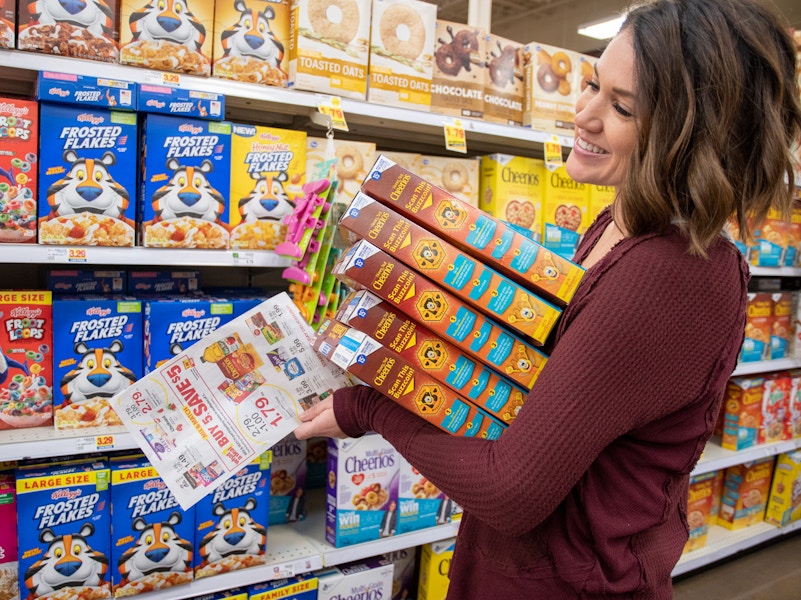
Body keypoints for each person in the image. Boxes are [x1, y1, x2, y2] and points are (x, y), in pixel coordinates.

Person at [294, 0, 801, 597]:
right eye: (593, 84)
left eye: (621, 107)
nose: (583, 114)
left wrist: (369, 409)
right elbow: (543, 388)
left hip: (569, 583)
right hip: (518, 567)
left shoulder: (670, 275)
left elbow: (512, 491)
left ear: (693, 137)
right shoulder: (618, 225)